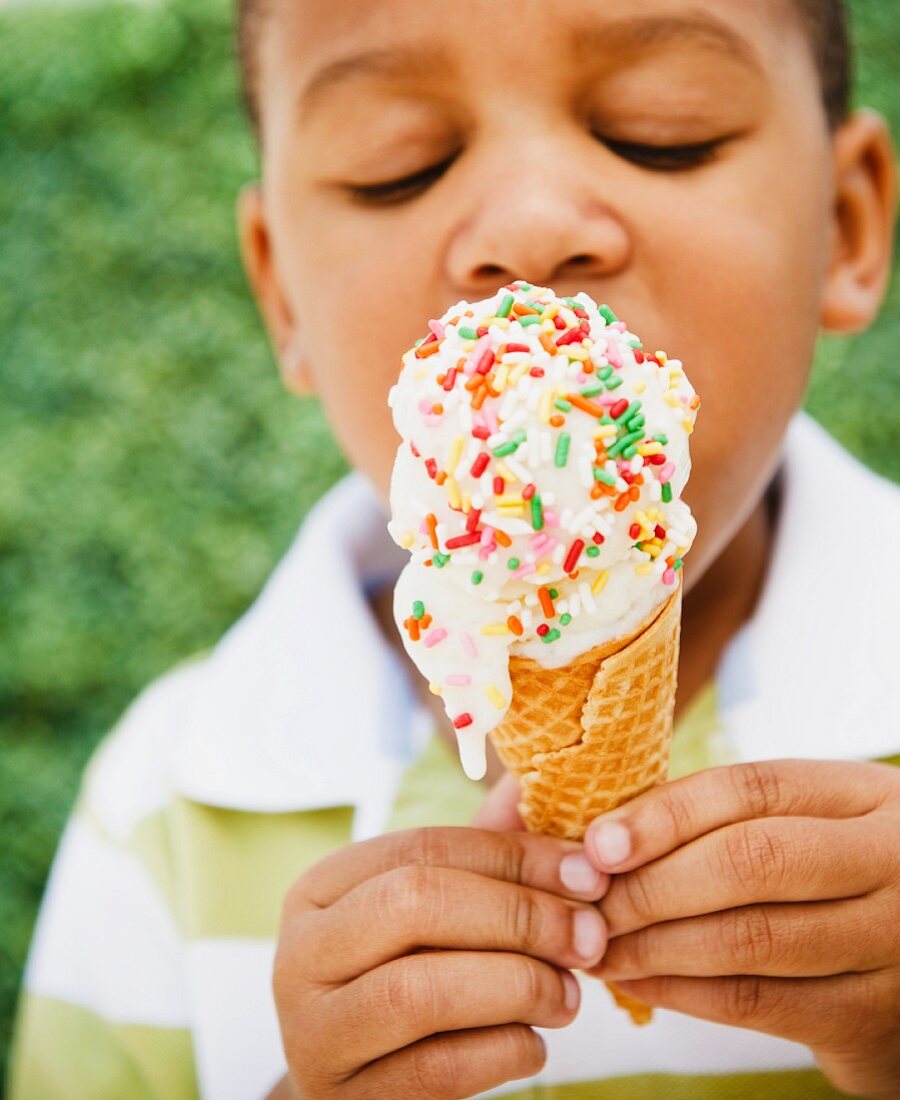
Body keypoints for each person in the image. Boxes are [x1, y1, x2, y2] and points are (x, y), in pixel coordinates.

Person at [8, 0, 900, 1097]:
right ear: (280, 287)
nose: (528, 227)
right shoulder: (164, 812)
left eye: (661, 132)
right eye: (400, 165)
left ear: (850, 222)